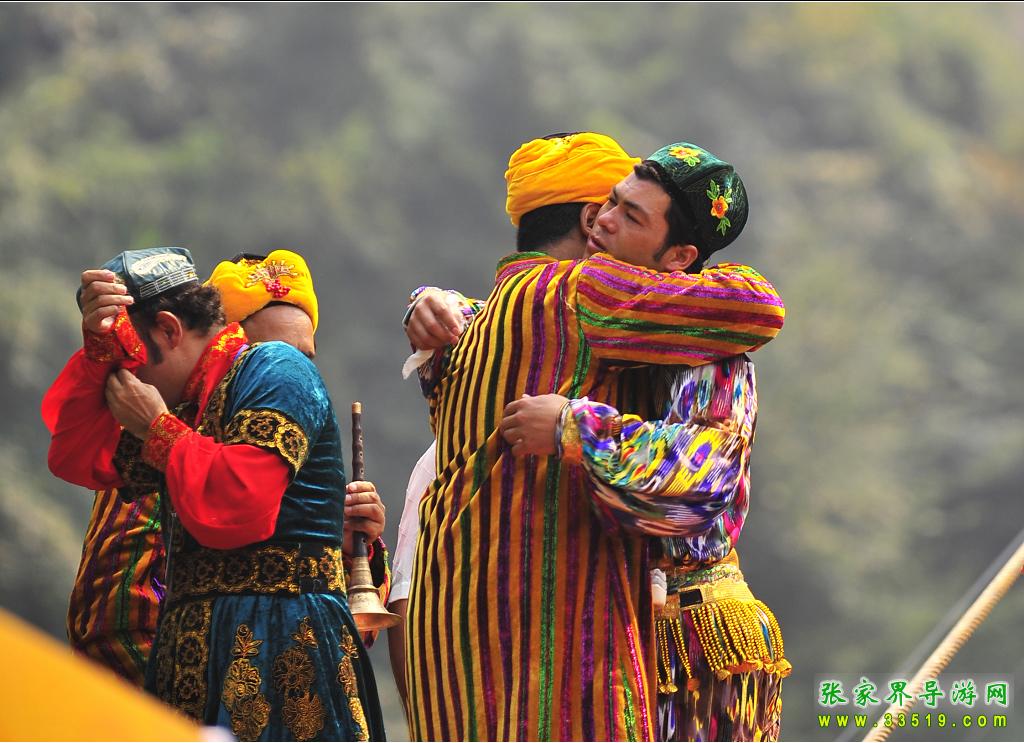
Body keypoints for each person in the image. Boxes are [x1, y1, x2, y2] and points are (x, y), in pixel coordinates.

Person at [402, 133, 785, 741]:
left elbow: (707, 479)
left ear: (680, 256)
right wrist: (428, 303)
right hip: (609, 628)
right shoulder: (580, 312)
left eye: (630, 216)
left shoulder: (711, 350)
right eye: (609, 203)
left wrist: (574, 426)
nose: (603, 222)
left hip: (694, 636)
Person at [43, 247, 385, 741]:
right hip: (191, 657)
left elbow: (241, 505)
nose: (131, 381)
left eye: (131, 362)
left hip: (280, 643)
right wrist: (99, 352)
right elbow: (77, 455)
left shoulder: (274, 367)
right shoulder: (188, 406)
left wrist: (157, 429)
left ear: (168, 330)